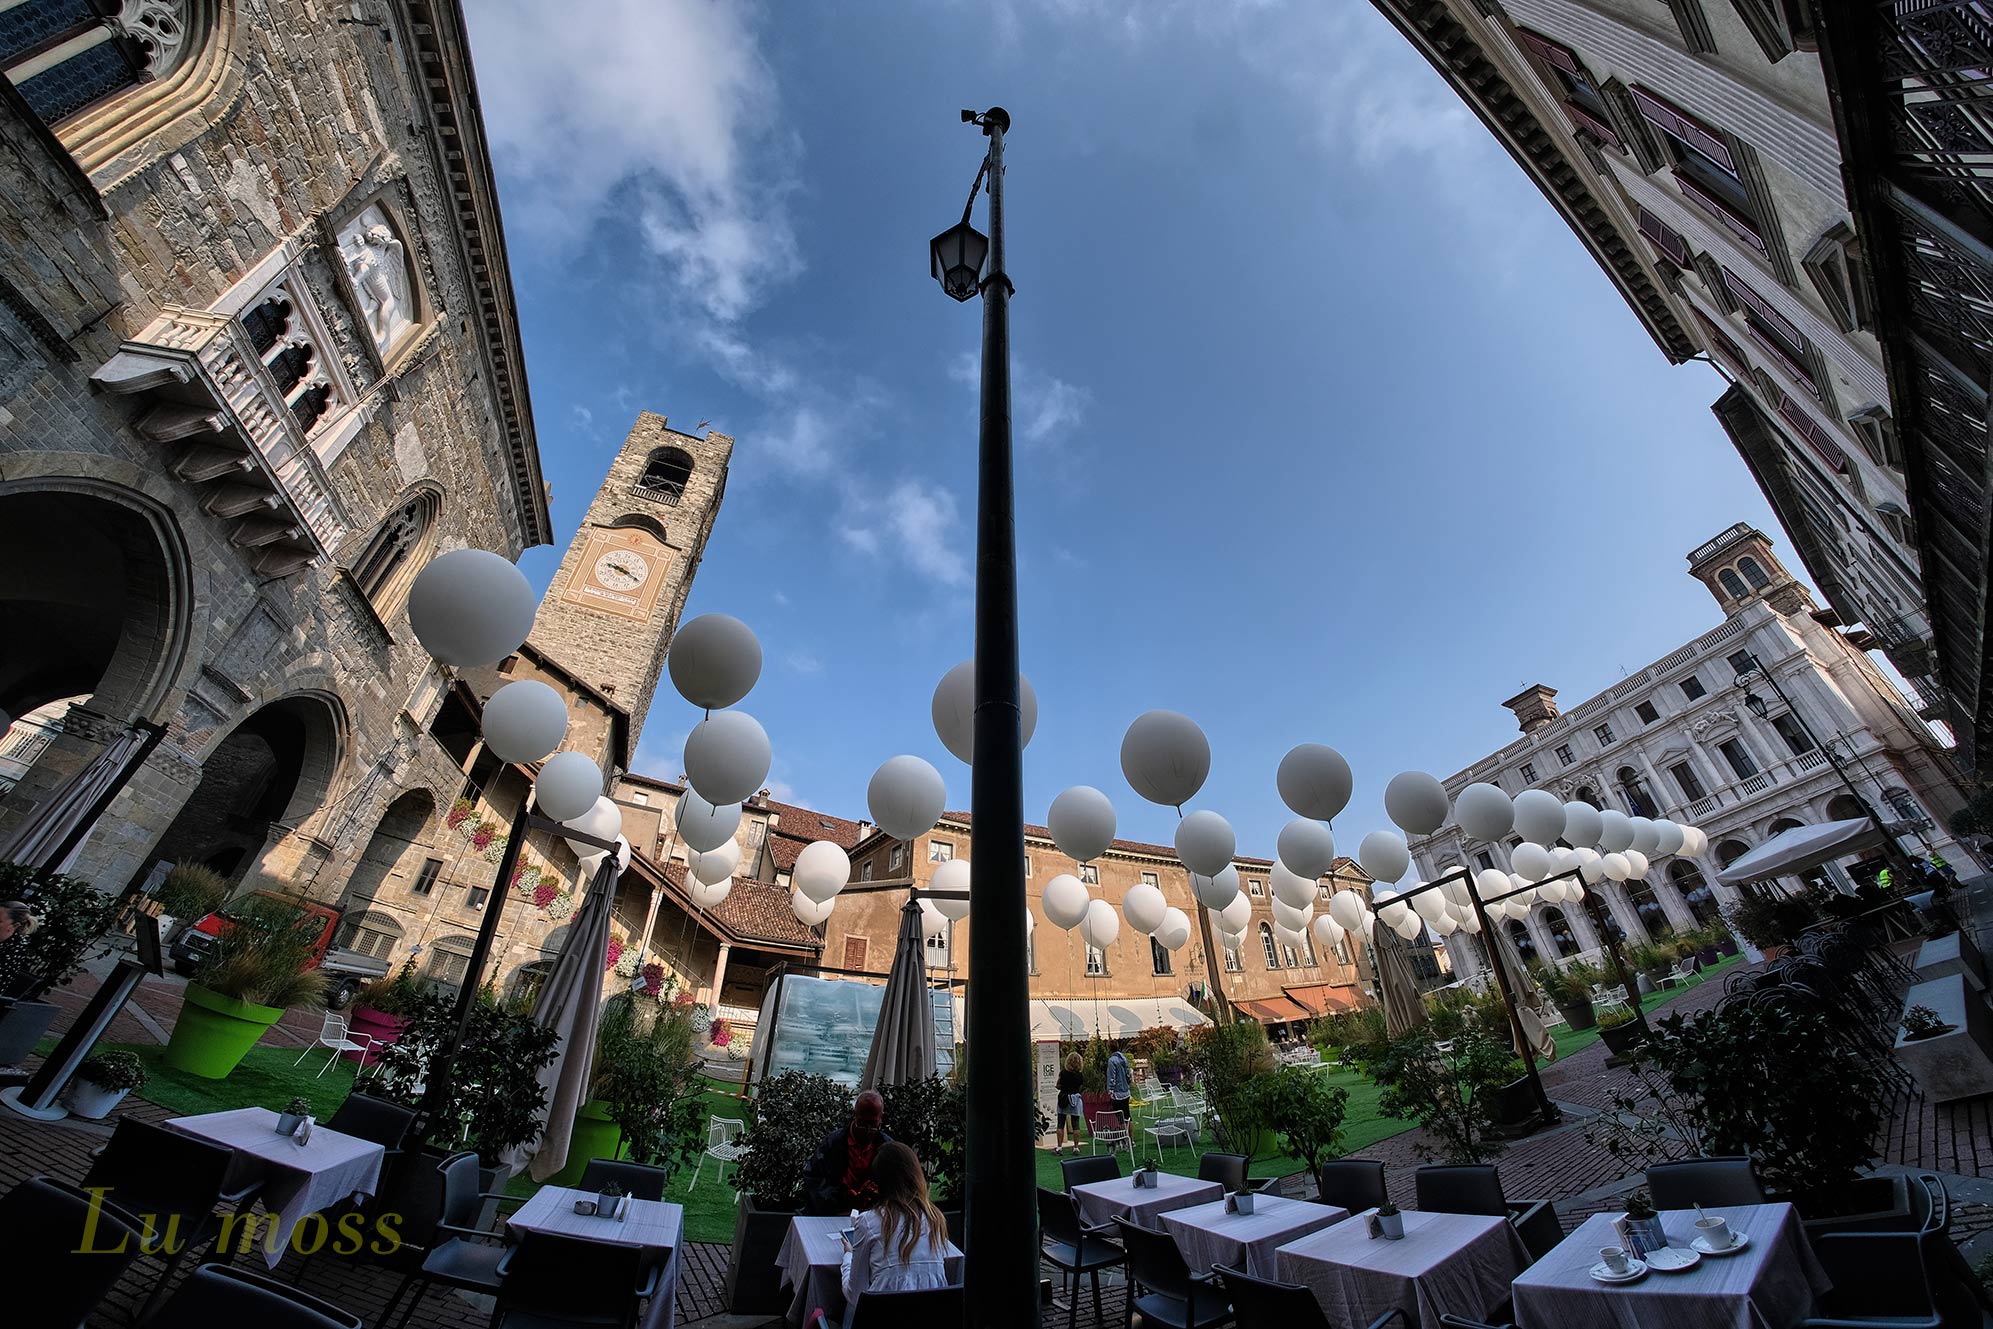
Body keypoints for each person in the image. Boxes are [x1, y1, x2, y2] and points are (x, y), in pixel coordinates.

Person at [839, 1141, 952, 1326]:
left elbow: (854, 1294)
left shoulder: (868, 1222)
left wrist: (848, 1257)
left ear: (879, 1183)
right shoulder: (935, 1220)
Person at [804, 1089, 892, 1214]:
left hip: (872, 1214)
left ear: (880, 1119)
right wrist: (838, 1199)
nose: (867, 1130)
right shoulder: (832, 1143)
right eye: (862, 1123)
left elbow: (895, 1186)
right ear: (854, 1116)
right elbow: (813, 1178)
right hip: (833, 1211)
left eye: (873, 1124)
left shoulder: (887, 1148)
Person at [1054, 1052, 1085, 1154]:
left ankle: (1059, 1147)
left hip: (1064, 1098)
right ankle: (1076, 1147)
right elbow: (1080, 1088)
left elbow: (1058, 1085)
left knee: (1060, 1123)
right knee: (1075, 1124)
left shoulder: (1063, 1073)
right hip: (1075, 1099)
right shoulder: (1079, 1075)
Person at [1105, 1046, 1132, 1126]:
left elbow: (1111, 1076)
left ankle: (1124, 1136)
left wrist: (1110, 1090)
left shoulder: (1112, 1060)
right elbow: (1128, 1074)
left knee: (1120, 1117)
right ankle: (1131, 1137)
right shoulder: (1124, 1058)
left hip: (1117, 1092)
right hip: (1126, 1091)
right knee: (1127, 1115)